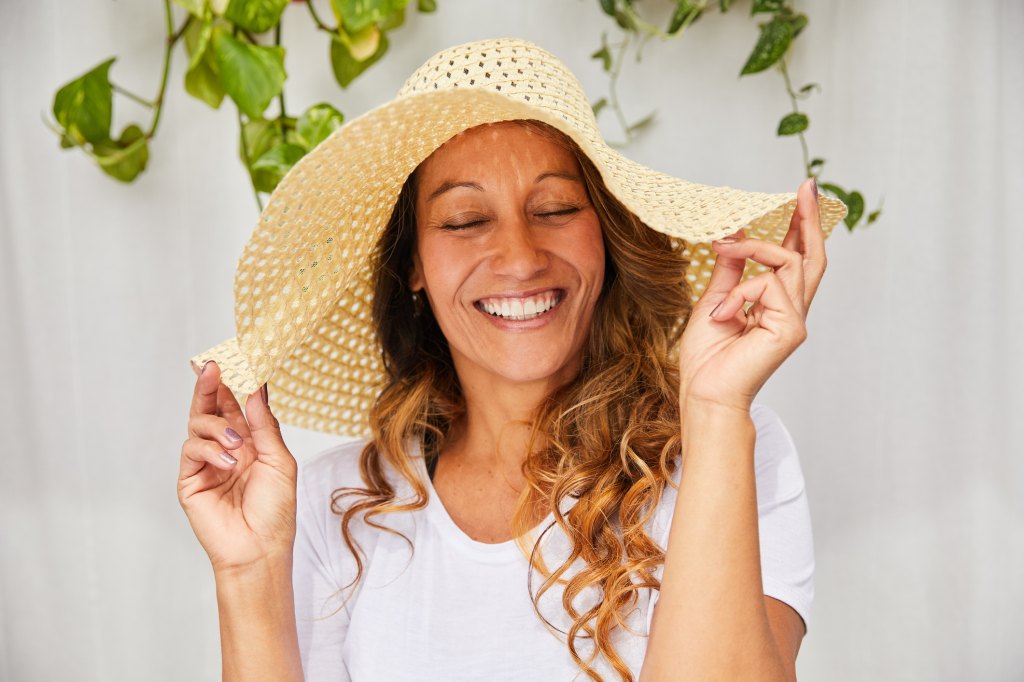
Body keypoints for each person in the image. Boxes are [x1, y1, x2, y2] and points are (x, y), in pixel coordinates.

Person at [179, 38, 845, 682]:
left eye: (555, 208)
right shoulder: (335, 504)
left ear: (606, 237)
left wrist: (716, 408)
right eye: (466, 221)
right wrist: (250, 571)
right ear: (412, 263)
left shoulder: (728, 449)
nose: (521, 258)